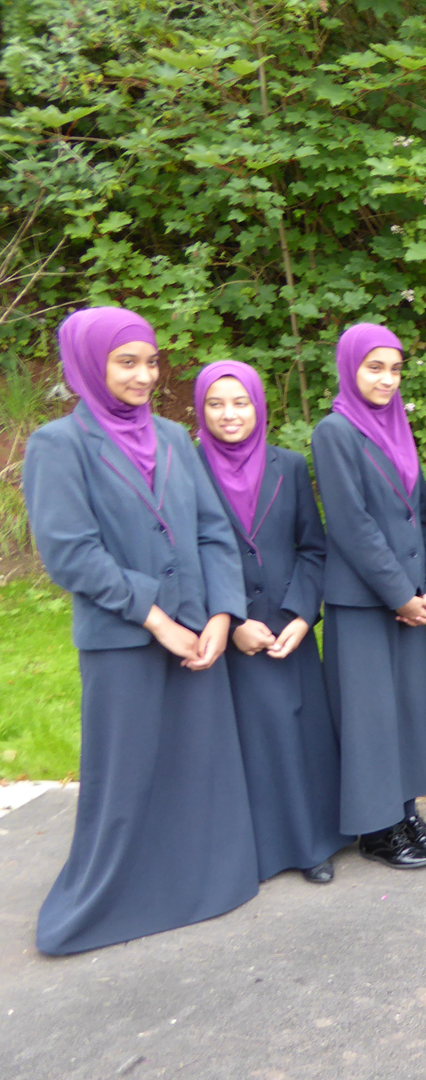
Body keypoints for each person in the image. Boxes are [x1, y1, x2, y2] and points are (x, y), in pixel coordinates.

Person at [22, 307, 258, 954]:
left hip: (196, 631)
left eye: (151, 361)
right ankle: (114, 899)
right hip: (125, 639)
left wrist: (218, 614)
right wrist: (157, 618)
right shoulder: (57, 446)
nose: (145, 375)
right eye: (127, 362)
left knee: (196, 766)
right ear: (88, 365)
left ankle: (202, 884)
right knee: (126, 774)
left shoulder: (177, 439)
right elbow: (72, 552)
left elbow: (213, 530)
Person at [193, 360, 350, 883]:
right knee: (254, 740)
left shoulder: (288, 465)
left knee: (300, 733)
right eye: (216, 404)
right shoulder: (188, 470)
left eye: (240, 402)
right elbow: (186, 555)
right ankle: (258, 850)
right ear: (200, 410)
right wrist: (230, 620)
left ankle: (313, 843)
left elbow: (312, 546)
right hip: (232, 631)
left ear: (259, 406)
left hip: (287, 624)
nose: (229, 414)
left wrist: (304, 614)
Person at [310, 323, 426, 868]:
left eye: (395, 369)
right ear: (350, 368)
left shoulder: (397, 428)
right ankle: (376, 829)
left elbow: (419, 512)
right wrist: (399, 594)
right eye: (375, 367)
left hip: (407, 599)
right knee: (369, 718)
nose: (387, 380)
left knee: (405, 712)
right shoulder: (335, 431)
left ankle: (403, 810)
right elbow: (352, 524)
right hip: (365, 602)